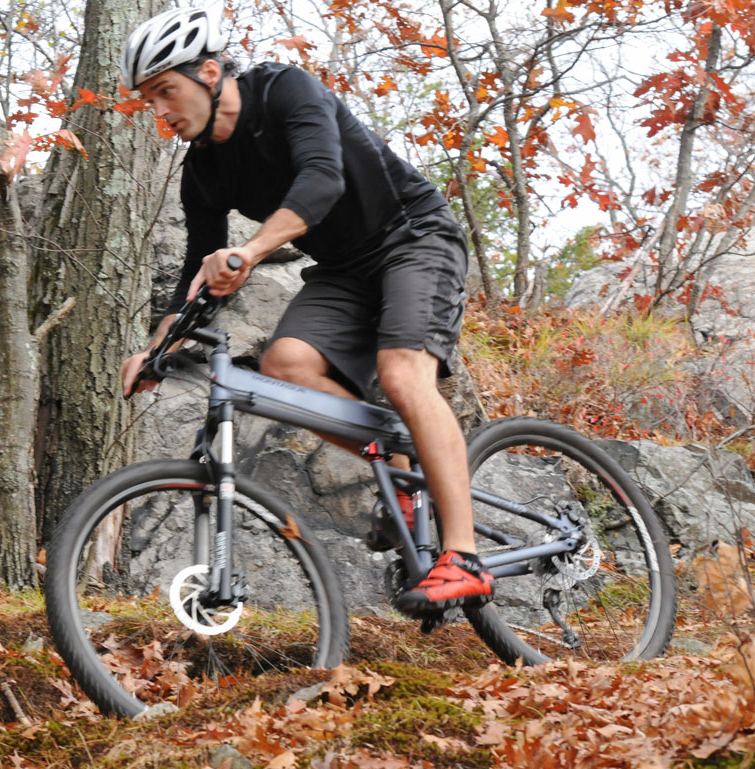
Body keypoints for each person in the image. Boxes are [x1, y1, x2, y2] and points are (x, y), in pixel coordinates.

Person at [117, 6, 492, 614]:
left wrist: (249, 250)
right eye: (150, 99)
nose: (160, 112)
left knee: (401, 374)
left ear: (209, 72)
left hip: (413, 236)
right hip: (346, 270)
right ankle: (403, 477)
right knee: (286, 363)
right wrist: (157, 349)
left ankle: (464, 555)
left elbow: (323, 180)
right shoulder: (203, 172)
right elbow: (193, 274)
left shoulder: (285, 90)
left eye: (166, 91)